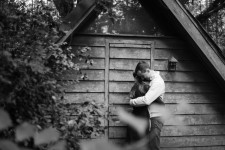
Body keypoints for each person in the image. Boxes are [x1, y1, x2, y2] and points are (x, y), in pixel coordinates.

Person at [129, 61, 165, 150]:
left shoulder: (157, 82)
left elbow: (146, 100)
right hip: (151, 116)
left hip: (156, 117)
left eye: (142, 75)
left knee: (153, 145)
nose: (142, 78)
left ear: (147, 70)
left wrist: (131, 102)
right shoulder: (151, 81)